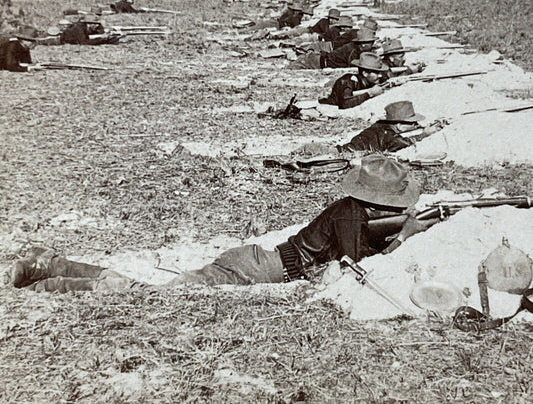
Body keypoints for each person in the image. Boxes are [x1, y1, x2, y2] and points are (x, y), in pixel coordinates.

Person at [7, 155, 435, 291]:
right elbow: (367, 268)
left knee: (156, 292)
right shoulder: (348, 213)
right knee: (150, 295)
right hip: (254, 268)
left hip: (259, 263)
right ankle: (48, 273)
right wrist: (407, 237)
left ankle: (50, 263)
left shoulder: (354, 210)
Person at [298, 101, 446, 157]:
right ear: (399, 124)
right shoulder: (390, 136)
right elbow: (403, 143)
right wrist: (424, 135)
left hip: (340, 149)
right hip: (343, 154)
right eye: (411, 123)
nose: (415, 126)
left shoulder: (381, 126)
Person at [319, 52, 389, 109]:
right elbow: (345, 104)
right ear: (365, 73)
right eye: (377, 73)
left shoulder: (371, 81)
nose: (380, 76)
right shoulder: (348, 81)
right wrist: (369, 93)